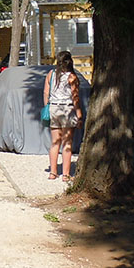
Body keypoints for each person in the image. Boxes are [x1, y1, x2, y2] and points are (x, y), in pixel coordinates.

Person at [43, 50, 83, 182]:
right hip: (67, 109)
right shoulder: (72, 77)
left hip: (54, 108)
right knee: (67, 144)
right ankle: (65, 174)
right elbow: (75, 98)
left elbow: (45, 92)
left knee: (55, 143)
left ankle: (53, 172)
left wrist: (47, 108)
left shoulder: (51, 74)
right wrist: (79, 115)